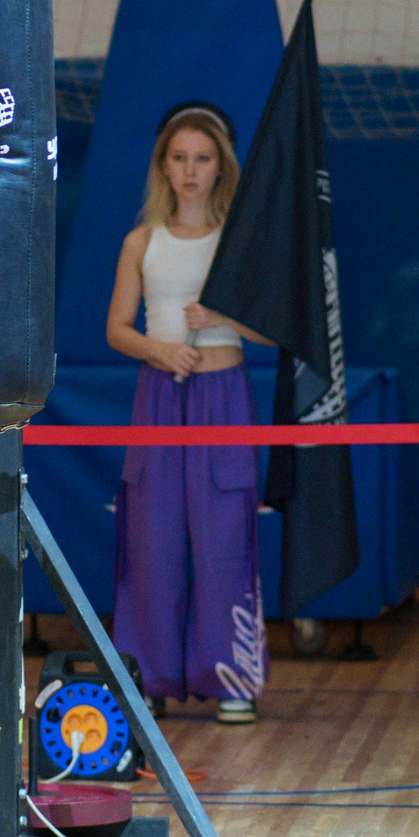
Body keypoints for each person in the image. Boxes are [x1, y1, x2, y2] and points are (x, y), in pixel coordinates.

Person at [104, 102, 270, 724]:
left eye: (203, 158)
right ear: (164, 166)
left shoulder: (239, 242)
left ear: (220, 166)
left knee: (224, 536)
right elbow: (118, 329)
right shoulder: (141, 241)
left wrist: (223, 317)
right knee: (154, 539)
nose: (191, 170)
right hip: (159, 395)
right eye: (180, 158)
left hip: (223, 397)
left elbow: (274, 331)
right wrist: (161, 350)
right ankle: (150, 676)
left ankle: (231, 678)